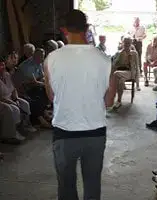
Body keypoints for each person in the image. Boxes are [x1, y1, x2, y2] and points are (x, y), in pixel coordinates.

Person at [44, 10, 111, 200]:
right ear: (87, 28)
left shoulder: (51, 59)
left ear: (63, 30)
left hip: (64, 132)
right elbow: (108, 101)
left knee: (66, 186)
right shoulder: (105, 60)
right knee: (92, 184)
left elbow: (51, 96)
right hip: (95, 132)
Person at [108, 36, 140, 109]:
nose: (127, 45)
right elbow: (114, 64)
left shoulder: (134, 53)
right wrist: (120, 55)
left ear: (131, 43)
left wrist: (137, 83)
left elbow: (137, 67)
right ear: (123, 43)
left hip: (130, 73)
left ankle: (111, 96)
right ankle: (119, 101)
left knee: (116, 74)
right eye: (125, 43)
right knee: (121, 81)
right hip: (121, 72)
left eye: (128, 43)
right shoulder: (119, 53)